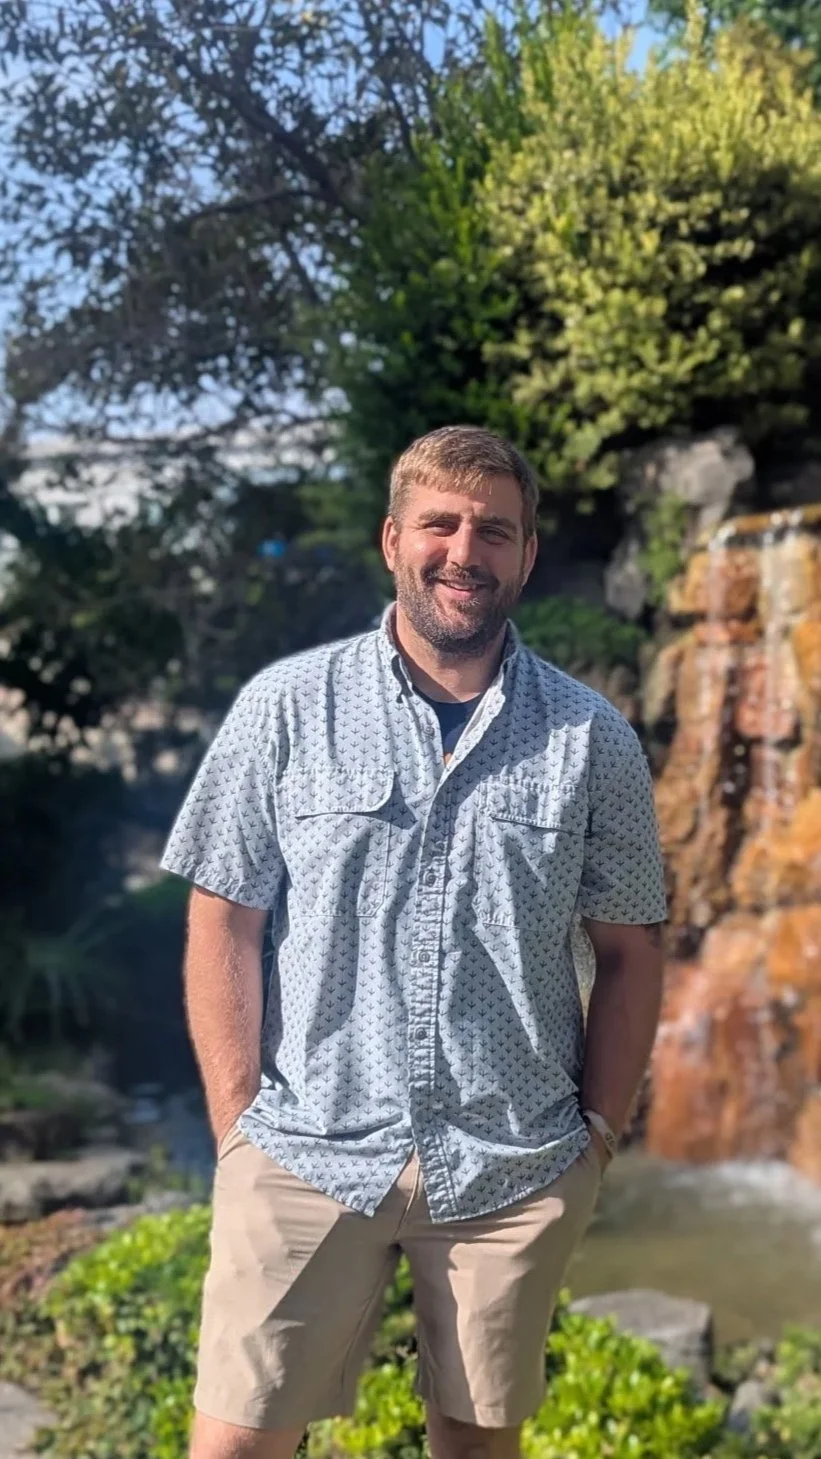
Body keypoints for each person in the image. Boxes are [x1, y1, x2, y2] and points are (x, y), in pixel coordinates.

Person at [160, 424, 667, 1459]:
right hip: (304, 1149)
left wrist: (598, 1138)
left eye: (494, 529)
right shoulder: (285, 710)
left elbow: (630, 951)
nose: (463, 550)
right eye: (438, 523)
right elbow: (223, 922)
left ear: (525, 554)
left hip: (510, 1166)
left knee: (474, 1451)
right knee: (233, 1447)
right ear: (393, 540)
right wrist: (236, 1125)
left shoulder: (589, 739)